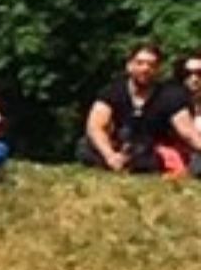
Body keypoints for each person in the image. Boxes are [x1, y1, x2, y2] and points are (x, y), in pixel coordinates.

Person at [77, 43, 200, 176]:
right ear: (129, 66)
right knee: (85, 146)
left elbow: (188, 133)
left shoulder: (171, 95)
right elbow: (94, 126)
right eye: (140, 63)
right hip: (119, 146)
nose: (145, 68)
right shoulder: (113, 91)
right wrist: (110, 155)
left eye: (151, 65)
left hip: (153, 150)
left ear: (158, 69)